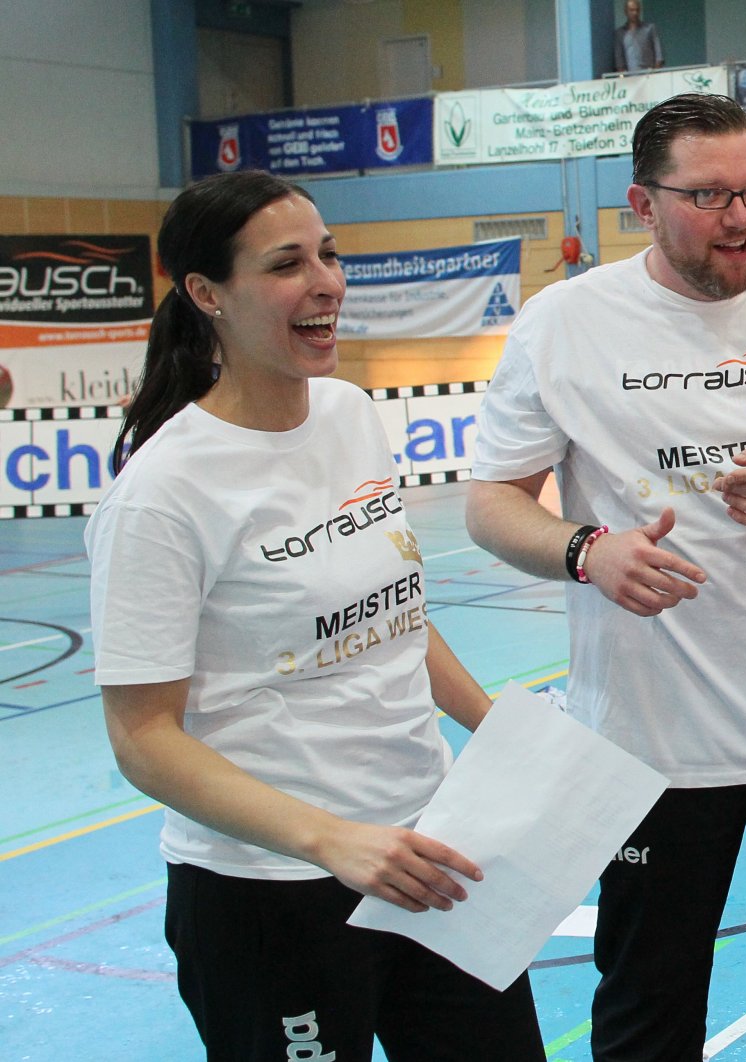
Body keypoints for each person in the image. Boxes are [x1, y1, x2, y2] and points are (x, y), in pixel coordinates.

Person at [463, 93, 746, 1062]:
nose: (741, 219)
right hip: (645, 754)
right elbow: (492, 503)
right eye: (709, 197)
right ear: (641, 204)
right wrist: (586, 551)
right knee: (647, 1015)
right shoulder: (565, 324)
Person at [86, 170, 543, 1062]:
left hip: (433, 849)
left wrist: (497, 726)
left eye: (328, 254)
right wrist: (330, 840)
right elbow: (143, 735)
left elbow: (394, 616)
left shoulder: (349, 415)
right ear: (207, 294)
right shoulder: (164, 492)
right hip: (271, 890)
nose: (326, 280)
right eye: (287, 263)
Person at [612, 0, 662, 72]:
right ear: (626, 12)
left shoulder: (650, 29)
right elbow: (619, 61)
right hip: (630, 78)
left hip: (650, 75)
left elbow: (659, 56)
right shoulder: (620, 33)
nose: (635, 13)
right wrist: (623, 77)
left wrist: (654, 74)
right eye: (631, 10)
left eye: (637, 10)